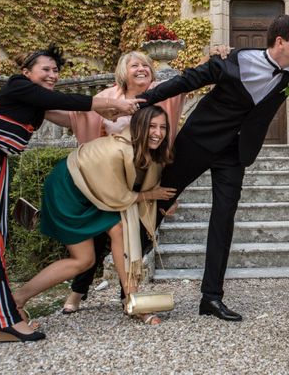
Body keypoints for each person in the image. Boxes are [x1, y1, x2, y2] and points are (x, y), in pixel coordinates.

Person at [0, 44, 140, 342]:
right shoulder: (18, 85)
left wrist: (111, 110)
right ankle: (5, 321)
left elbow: (69, 112)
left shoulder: (34, 102)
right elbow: (64, 100)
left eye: (56, 71)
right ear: (26, 72)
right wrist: (103, 104)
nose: (53, 75)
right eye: (46, 69)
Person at [139, 14, 289, 321]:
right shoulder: (235, 60)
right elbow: (188, 80)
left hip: (236, 154)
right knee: (160, 201)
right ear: (280, 41)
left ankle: (211, 297)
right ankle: (128, 271)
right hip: (198, 142)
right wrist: (143, 99)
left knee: (224, 219)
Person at [45, 51, 184, 315]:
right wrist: (36, 102)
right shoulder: (108, 99)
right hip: (108, 180)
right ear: (123, 71)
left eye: (146, 64)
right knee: (98, 236)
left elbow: (186, 90)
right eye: (135, 65)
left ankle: (126, 296)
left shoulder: (162, 95)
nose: (141, 68)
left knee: (139, 237)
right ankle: (79, 292)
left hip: (144, 179)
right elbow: (78, 117)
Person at [12, 106, 176, 328]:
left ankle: (132, 300)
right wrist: (151, 195)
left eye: (163, 127)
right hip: (68, 190)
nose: (158, 132)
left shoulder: (147, 152)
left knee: (118, 229)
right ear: (138, 128)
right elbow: (119, 195)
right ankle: (16, 301)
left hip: (94, 191)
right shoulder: (118, 151)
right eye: (152, 127)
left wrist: (162, 200)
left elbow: (145, 183)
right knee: (83, 260)